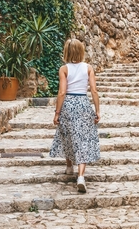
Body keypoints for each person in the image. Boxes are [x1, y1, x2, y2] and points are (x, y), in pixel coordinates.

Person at [49, 38, 101, 193]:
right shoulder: (88, 68)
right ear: (81, 51)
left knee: (67, 134)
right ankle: (81, 176)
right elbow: (94, 90)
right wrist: (97, 110)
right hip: (83, 103)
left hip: (69, 104)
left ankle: (69, 167)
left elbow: (62, 92)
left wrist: (57, 113)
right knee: (83, 138)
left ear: (67, 52)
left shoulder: (64, 69)